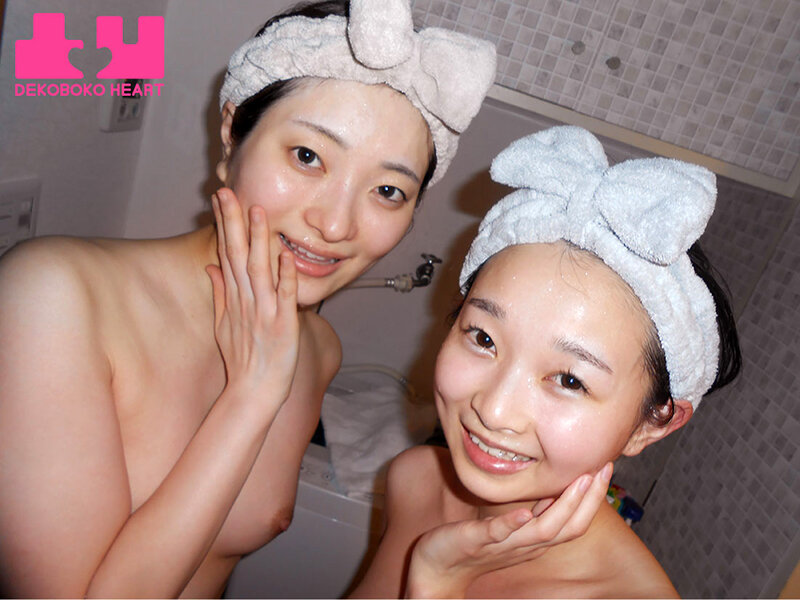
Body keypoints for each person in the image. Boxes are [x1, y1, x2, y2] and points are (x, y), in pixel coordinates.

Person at [0, 1, 496, 597]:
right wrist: (253, 394)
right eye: (308, 156)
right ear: (232, 133)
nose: (335, 224)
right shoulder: (55, 301)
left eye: (388, 190)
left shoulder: (318, 351)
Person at [350, 126, 742, 598]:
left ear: (651, 424)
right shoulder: (416, 479)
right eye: (483, 338)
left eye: (570, 380)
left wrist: (438, 582)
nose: (494, 410)